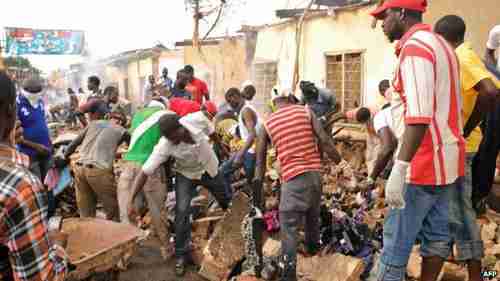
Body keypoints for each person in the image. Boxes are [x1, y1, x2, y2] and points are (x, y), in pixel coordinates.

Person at [371, 1, 465, 280]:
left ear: (401, 13)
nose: (382, 24)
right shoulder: (444, 46)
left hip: (422, 164)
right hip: (447, 164)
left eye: (385, 16)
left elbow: (420, 116)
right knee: (437, 237)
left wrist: (399, 169)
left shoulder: (415, 49)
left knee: (395, 246)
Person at [254, 87, 355, 281]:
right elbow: (325, 141)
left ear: (274, 103)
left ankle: (289, 275)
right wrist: (342, 164)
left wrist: (257, 197)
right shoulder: (306, 111)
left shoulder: (267, 124)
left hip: (293, 179)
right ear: (291, 98)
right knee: (312, 215)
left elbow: (259, 164)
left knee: (289, 227)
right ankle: (313, 252)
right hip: (315, 176)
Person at [435, 15, 500, 281]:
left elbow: (491, 91)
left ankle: (482, 275)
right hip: (459, 145)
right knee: (455, 210)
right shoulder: (459, 57)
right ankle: (469, 266)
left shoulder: (462, 56)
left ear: (442, 37)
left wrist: (465, 128)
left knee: (462, 212)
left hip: (463, 147)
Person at [128, 114, 230, 276]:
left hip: (209, 168)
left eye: (172, 136)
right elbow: (144, 172)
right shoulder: (164, 145)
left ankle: (237, 232)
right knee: (182, 211)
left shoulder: (196, 119)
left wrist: (221, 146)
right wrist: (130, 199)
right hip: (186, 174)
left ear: (181, 128)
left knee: (226, 200)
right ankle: (181, 255)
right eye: (167, 137)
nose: (170, 140)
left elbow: (211, 131)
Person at [0, 72, 68, 281]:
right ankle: (38, 229)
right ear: (11, 113)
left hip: (43, 152)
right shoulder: (19, 186)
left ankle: (41, 221)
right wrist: (58, 250)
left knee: (47, 188)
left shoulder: (38, 104)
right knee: (36, 190)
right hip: (31, 156)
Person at [118, 100, 174, 260]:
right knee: (157, 210)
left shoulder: (137, 115)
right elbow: (169, 146)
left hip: (129, 165)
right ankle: (166, 249)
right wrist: (168, 177)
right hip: (152, 166)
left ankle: (126, 256)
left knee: (128, 210)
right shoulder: (168, 115)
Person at [61, 101, 129, 221]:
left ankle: (88, 237)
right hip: (99, 171)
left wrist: (62, 160)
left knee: (86, 213)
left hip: (79, 169)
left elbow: (72, 145)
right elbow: (132, 149)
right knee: (113, 211)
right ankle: (114, 237)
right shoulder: (122, 131)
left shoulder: (94, 124)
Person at [221, 87, 262, 199]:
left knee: (223, 172)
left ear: (236, 96)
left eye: (230, 101)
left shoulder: (246, 111)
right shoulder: (246, 109)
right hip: (250, 150)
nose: (230, 105)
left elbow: (252, 134)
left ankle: (230, 203)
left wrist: (240, 154)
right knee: (251, 181)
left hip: (250, 151)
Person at [16, 78, 52, 182]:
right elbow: (16, 137)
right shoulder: (16, 105)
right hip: (29, 154)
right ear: (24, 90)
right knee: (36, 185)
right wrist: (36, 146)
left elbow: (42, 123)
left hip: (46, 150)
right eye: (33, 92)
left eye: (38, 92)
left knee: (49, 184)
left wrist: (49, 141)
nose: (36, 95)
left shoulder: (40, 102)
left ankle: (49, 199)